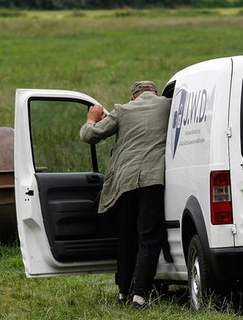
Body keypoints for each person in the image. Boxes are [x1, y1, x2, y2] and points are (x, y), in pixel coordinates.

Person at [80, 80, 173, 308]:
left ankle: (123, 292)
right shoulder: (168, 105)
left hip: (125, 183)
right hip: (153, 180)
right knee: (149, 239)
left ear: (134, 96)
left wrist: (92, 119)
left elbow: (89, 135)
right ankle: (139, 297)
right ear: (156, 93)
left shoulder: (122, 110)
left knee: (127, 238)